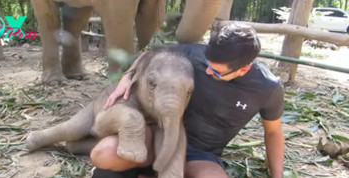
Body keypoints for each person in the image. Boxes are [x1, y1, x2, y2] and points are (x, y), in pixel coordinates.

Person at [89, 23, 285, 178]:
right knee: (104, 154)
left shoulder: (268, 88)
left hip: (200, 153)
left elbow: (273, 132)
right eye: (207, 65)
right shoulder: (192, 53)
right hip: (158, 133)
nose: (208, 71)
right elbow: (150, 55)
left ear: (244, 69)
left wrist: (277, 176)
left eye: (216, 72)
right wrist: (127, 76)